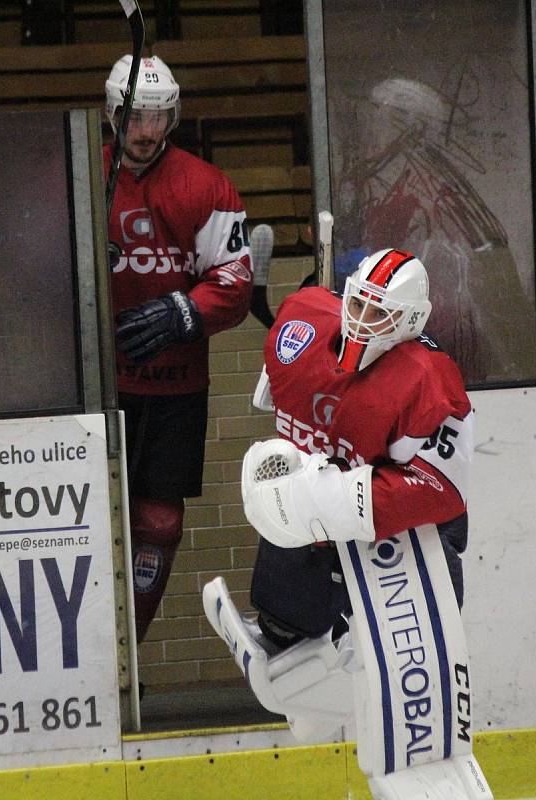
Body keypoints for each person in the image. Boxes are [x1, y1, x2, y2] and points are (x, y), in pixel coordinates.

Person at [204, 249, 493, 799]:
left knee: (402, 671)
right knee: (283, 630)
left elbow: (439, 489)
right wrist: (293, 481)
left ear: (411, 322)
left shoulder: (430, 382)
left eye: (381, 313)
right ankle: (316, 678)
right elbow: (279, 399)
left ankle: (390, 711)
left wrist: (334, 496)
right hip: (316, 522)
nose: (362, 319)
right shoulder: (301, 321)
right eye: (359, 301)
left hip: (406, 538)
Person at [103, 55, 253, 645]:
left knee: (158, 521)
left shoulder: (207, 185)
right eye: (135, 116)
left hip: (175, 388)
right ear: (113, 113)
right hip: (100, 384)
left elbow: (235, 285)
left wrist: (183, 310)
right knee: (81, 522)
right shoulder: (80, 174)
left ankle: (129, 656)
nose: (146, 131)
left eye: (159, 116)